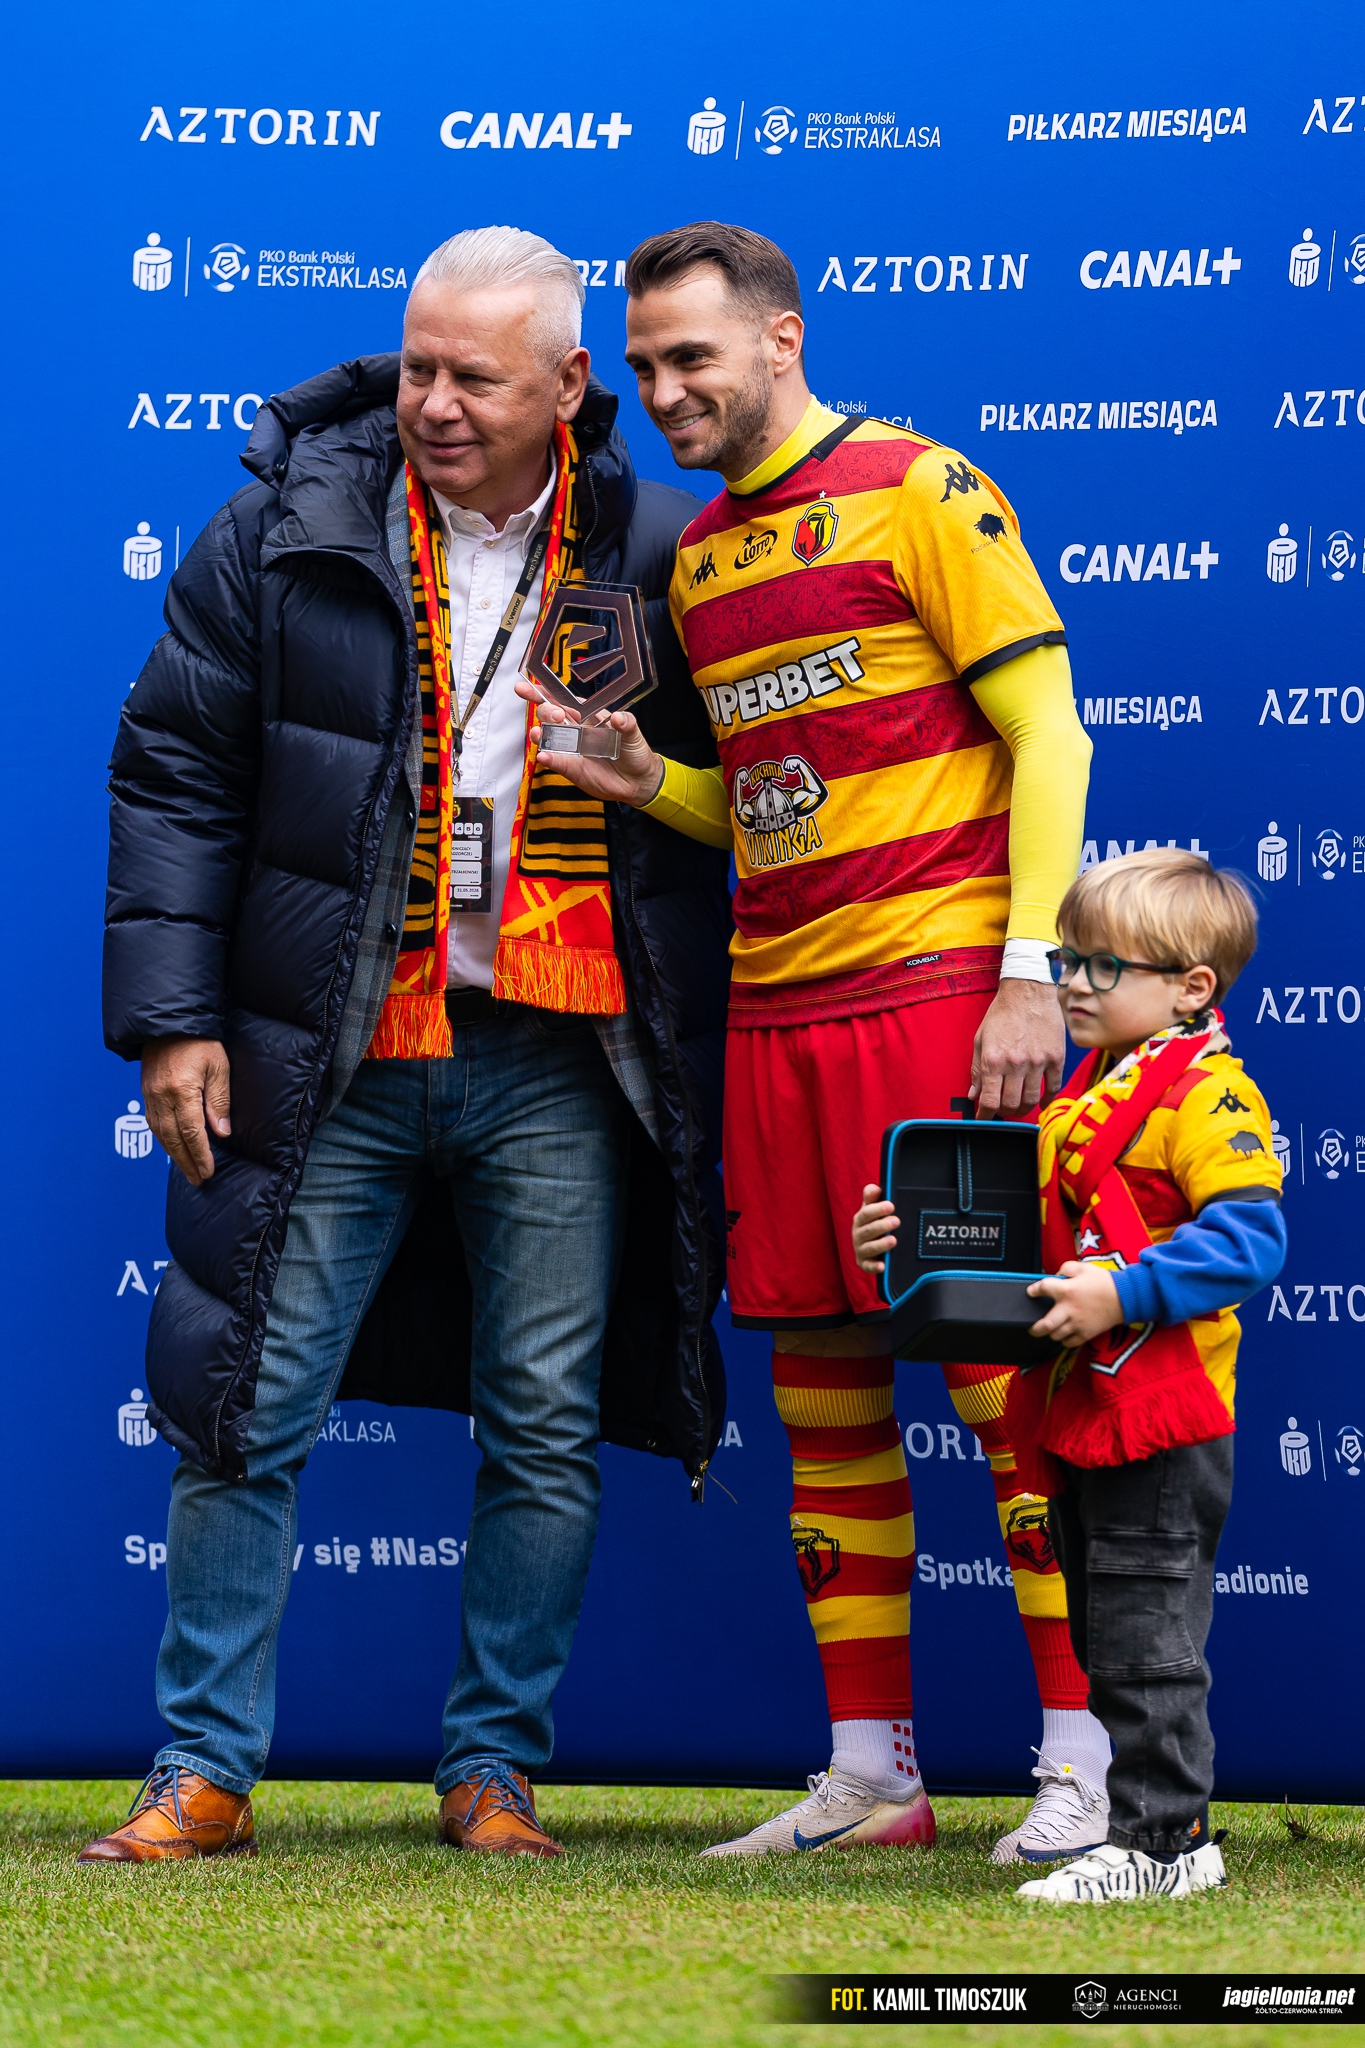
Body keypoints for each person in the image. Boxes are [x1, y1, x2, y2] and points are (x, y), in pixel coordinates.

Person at [89, 227, 731, 1864]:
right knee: (247, 1398)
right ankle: (202, 1768)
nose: (433, 403)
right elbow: (175, 774)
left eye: (475, 379)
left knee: (544, 1420)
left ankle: (493, 1768)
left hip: (561, 1053)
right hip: (335, 1040)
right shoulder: (283, 527)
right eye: (418, 366)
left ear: (568, 385)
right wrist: (172, 1019)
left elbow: (754, 795)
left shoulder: (666, 547)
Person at [517, 220, 1105, 1861]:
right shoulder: (703, 561)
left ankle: (1085, 1756)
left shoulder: (922, 489)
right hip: (777, 1012)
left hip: (935, 998)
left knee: (1002, 1378)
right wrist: (650, 782)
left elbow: (1049, 732)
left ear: (781, 339)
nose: (664, 391)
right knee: (822, 1391)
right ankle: (872, 1775)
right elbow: (767, 811)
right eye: (644, 365)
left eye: (692, 357)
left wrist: (1027, 969)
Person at [998, 849, 1284, 1902]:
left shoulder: (1207, 1091)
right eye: (1067, 958)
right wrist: (907, 1243)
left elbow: (1250, 1240)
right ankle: (1153, 1832)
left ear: (1190, 986)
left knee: (1148, 1634)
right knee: (1108, 1630)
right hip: (1090, 1406)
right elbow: (1030, 1241)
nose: (1072, 981)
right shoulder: (1085, 1093)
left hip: (1162, 1413)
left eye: (1102, 965)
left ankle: (1165, 1845)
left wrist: (1123, 1292)